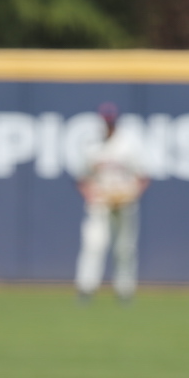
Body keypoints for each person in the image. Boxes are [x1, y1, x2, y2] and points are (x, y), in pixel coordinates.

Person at [74, 102, 150, 304]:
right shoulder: (92, 144)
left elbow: (143, 176)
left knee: (125, 248)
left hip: (125, 202)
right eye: (105, 121)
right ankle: (86, 289)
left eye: (111, 121)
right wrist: (91, 195)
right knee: (93, 245)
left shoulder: (129, 143)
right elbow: (82, 178)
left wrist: (131, 194)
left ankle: (124, 291)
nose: (108, 124)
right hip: (99, 202)